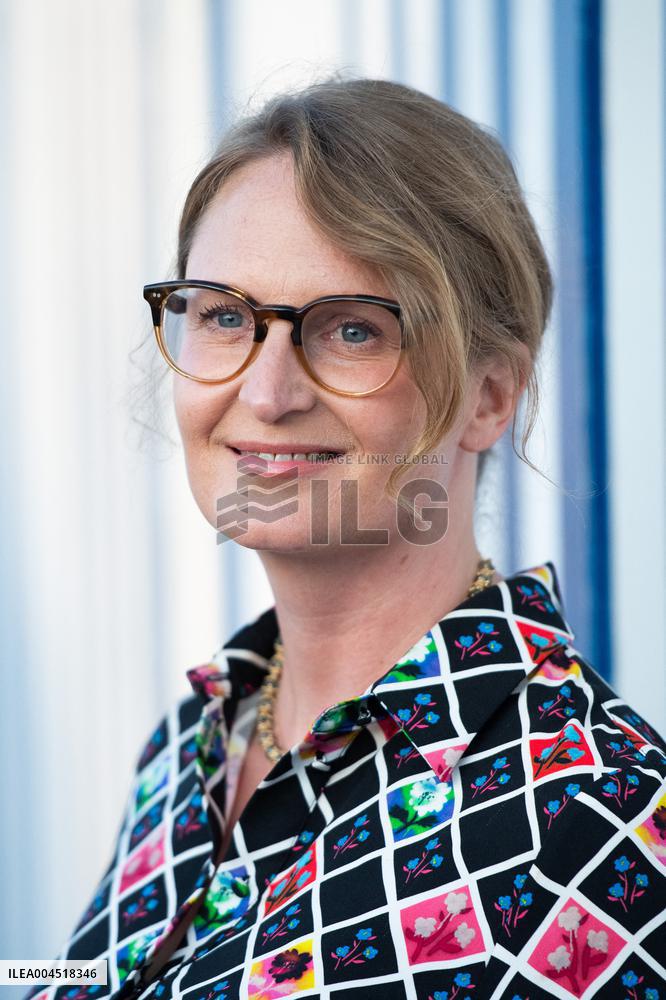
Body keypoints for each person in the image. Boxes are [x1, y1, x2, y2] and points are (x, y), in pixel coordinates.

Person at [30, 78, 666, 1000]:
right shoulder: (193, 744)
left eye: (354, 329)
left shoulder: (604, 825)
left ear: (490, 396)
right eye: (224, 316)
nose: (267, 391)